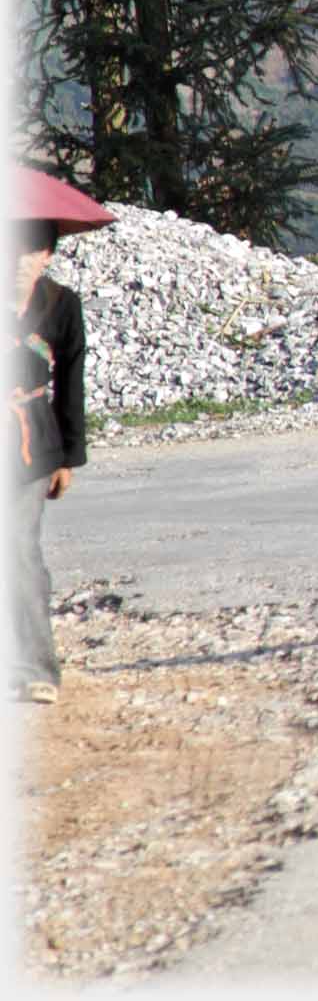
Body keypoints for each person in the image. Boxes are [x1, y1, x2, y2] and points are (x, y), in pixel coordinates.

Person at [12, 170, 108, 706]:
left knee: (19, 549)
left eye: (33, 251)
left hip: (32, 445)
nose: (21, 260)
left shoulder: (62, 306)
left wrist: (69, 456)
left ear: (48, 254)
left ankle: (35, 667)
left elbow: (72, 382)